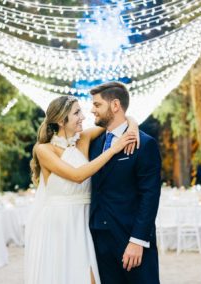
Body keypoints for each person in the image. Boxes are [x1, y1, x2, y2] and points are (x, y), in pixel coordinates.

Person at [24, 95, 139, 284]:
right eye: (77, 113)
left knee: (88, 276)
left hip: (83, 221)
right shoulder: (44, 150)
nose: (83, 117)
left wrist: (132, 126)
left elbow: (118, 121)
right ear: (61, 120)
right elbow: (77, 176)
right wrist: (113, 149)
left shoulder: (83, 139)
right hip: (58, 223)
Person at [89, 81, 162, 284]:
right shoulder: (93, 144)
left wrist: (138, 240)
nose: (91, 110)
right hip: (99, 240)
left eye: (97, 105)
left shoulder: (144, 144)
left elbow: (150, 195)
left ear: (115, 105)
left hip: (130, 239)